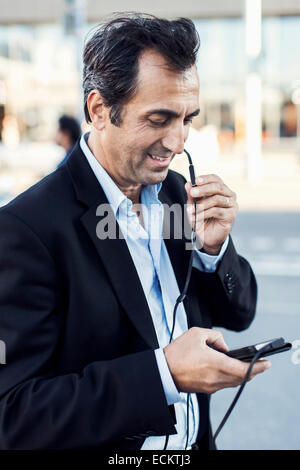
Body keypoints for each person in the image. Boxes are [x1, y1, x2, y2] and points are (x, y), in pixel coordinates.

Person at [0, 13, 270, 450]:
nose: (178, 141)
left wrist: (215, 251)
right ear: (99, 110)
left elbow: (240, 313)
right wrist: (163, 373)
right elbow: (14, 415)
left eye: (187, 118)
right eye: (159, 119)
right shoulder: (26, 230)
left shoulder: (178, 194)